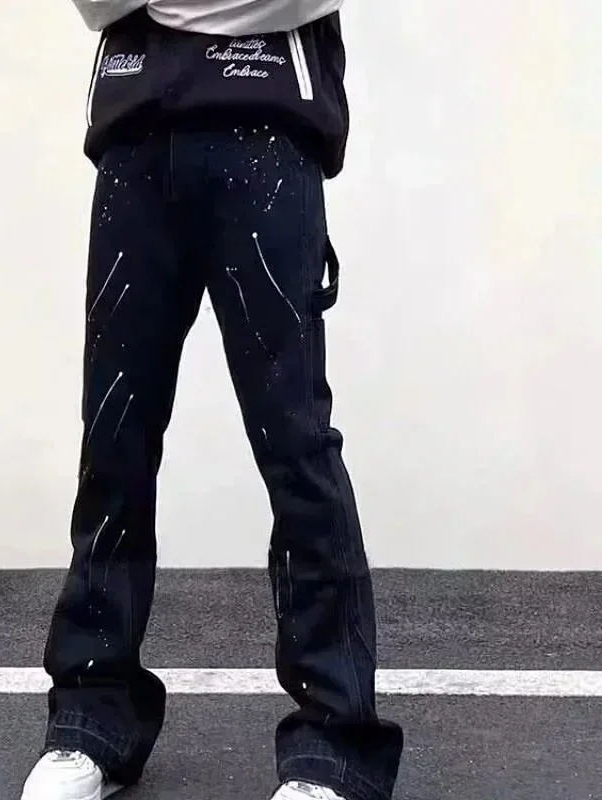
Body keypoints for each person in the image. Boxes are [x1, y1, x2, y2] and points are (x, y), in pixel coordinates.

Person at [21, 2, 404, 799]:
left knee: (295, 443)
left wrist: (167, 8)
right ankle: (92, 716)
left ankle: (334, 747)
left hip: (267, 133)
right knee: (114, 436)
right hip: (135, 134)